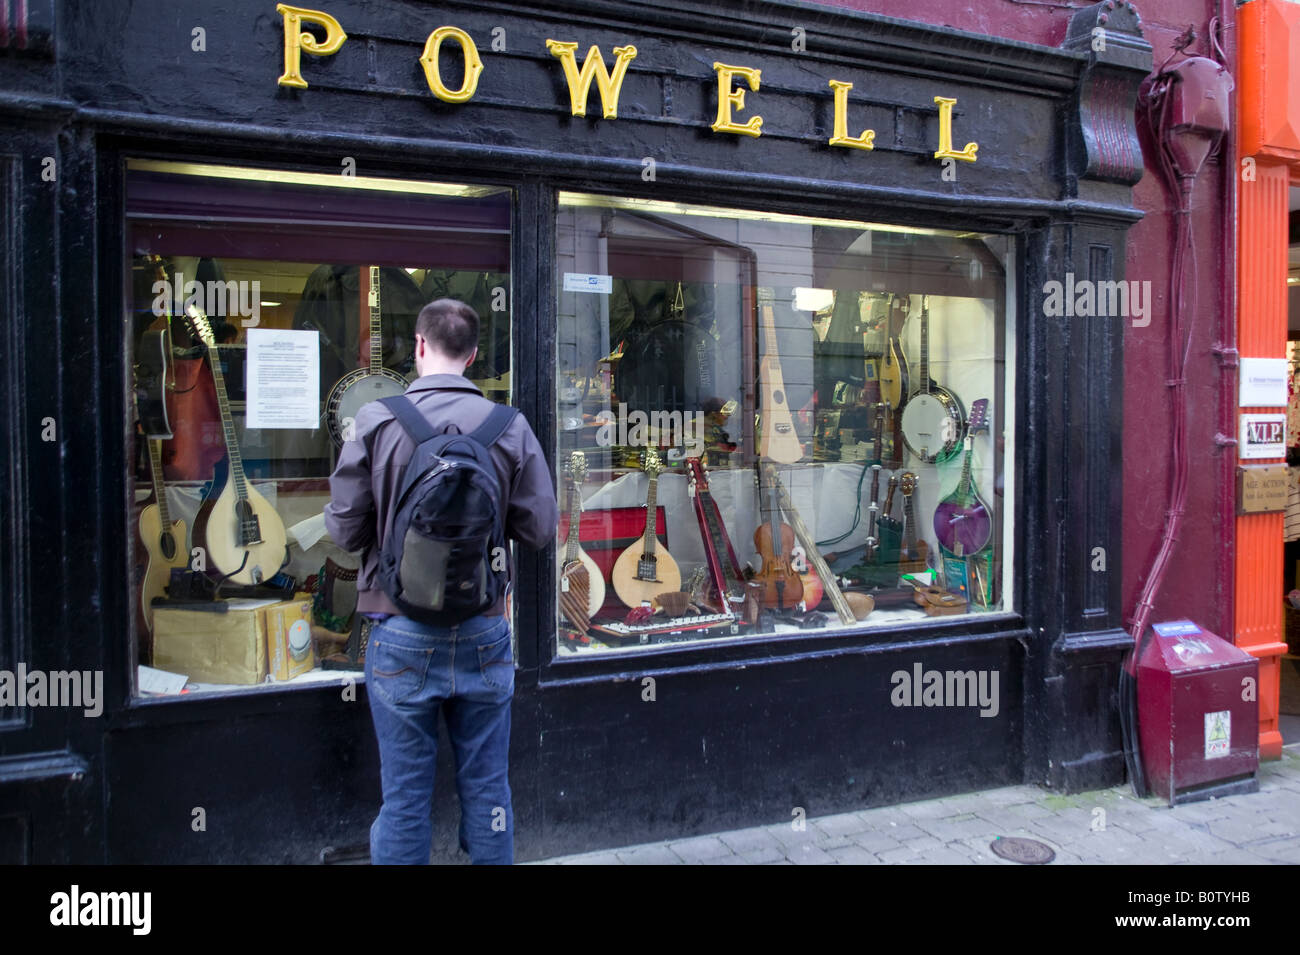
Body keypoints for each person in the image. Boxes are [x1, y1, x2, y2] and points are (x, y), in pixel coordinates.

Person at [324, 298, 558, 865]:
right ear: (473, 355)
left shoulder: (378, 419)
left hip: (399, 630)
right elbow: (540, 528)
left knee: (404, 799)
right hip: (483, 629)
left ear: (420, 347)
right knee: (487, 790)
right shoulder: (511, 426)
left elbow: (344, 531)